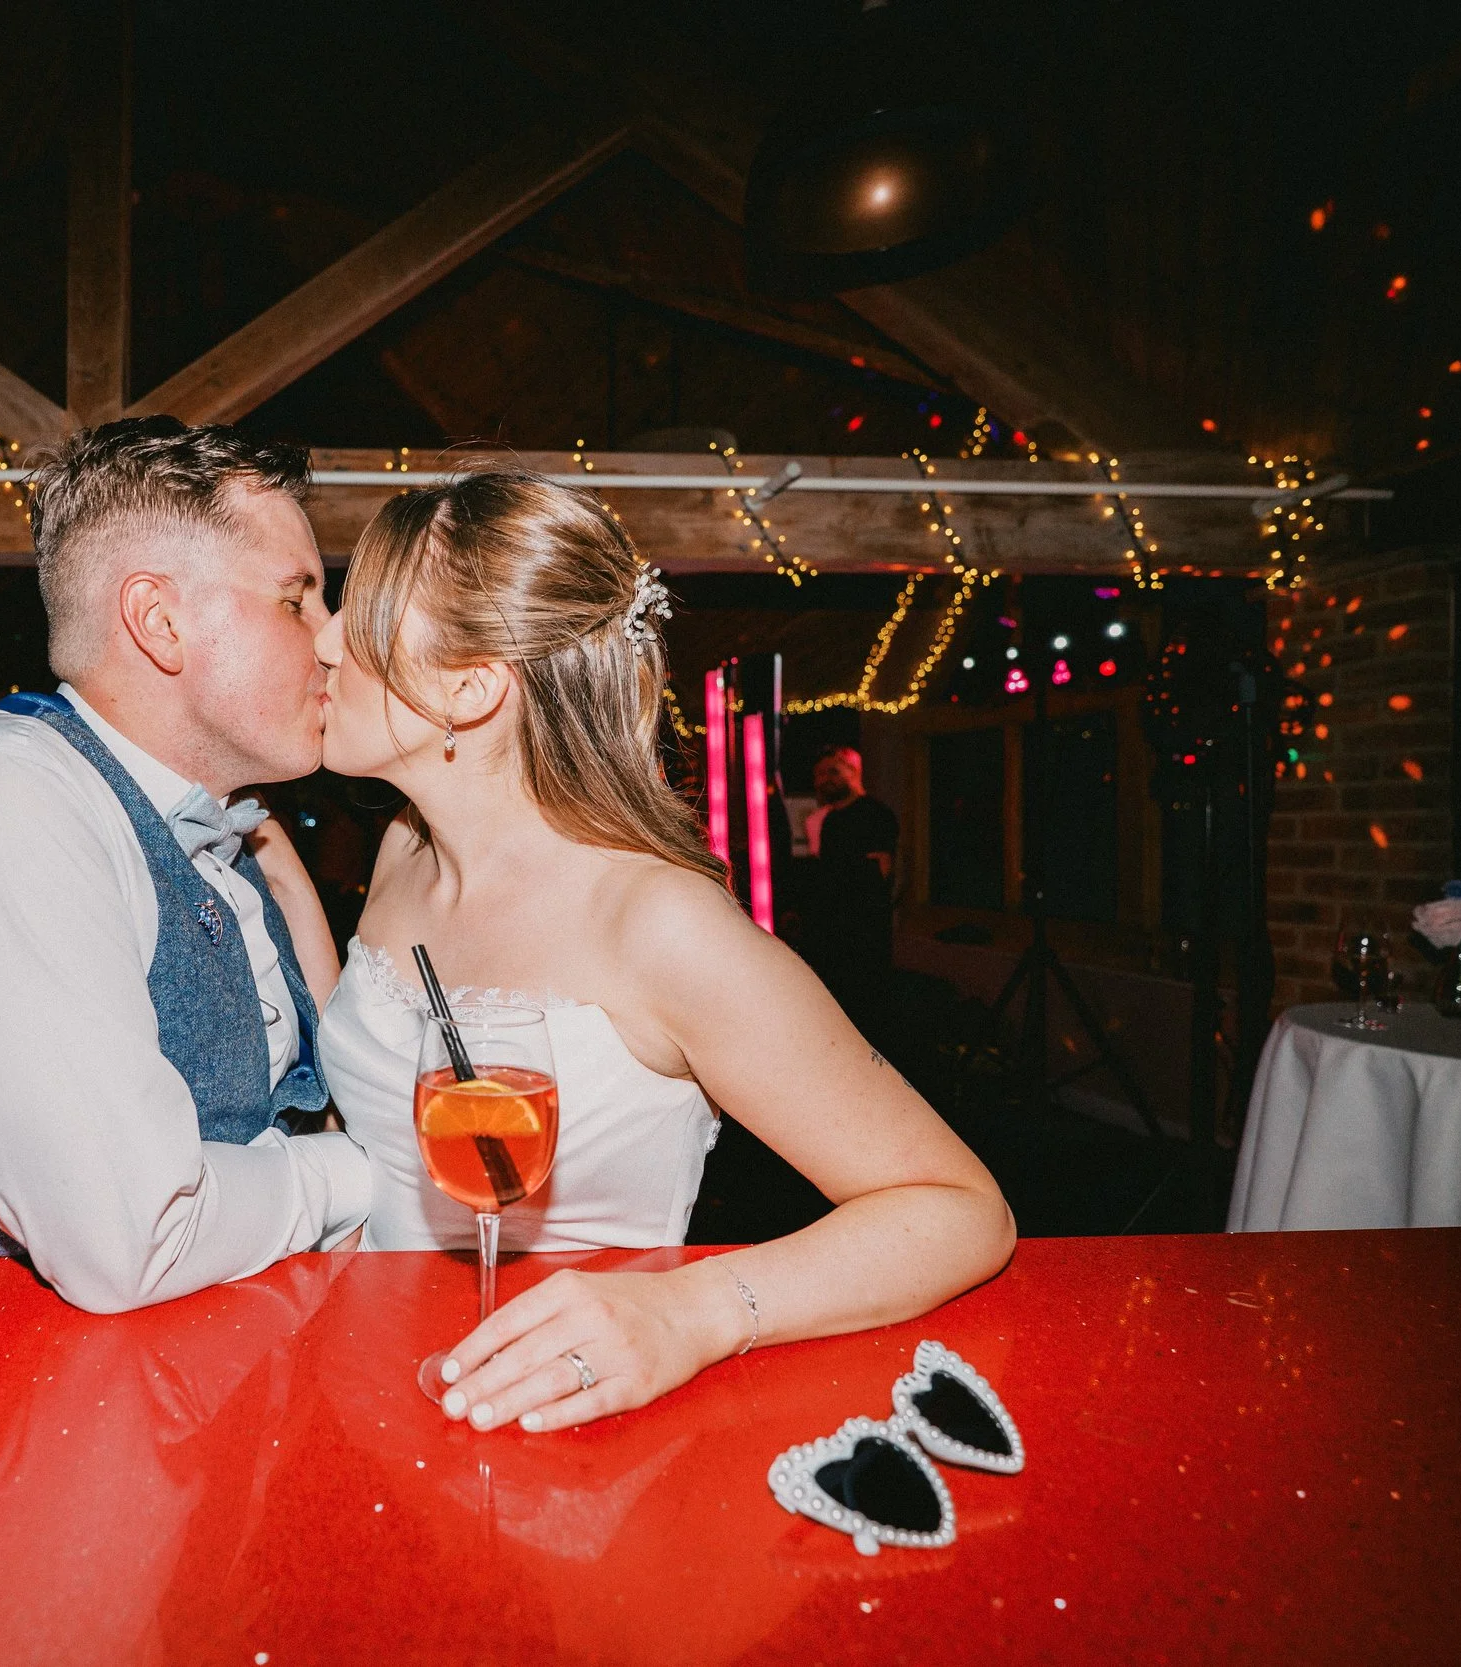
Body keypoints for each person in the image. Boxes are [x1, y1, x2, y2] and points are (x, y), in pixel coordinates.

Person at [311, 470, 1014, 1433]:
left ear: (469, 688)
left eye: (358, 614)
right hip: (371, 1393)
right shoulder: (403, 852)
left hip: (567, 1417)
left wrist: (693, 1311)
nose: (323, 640)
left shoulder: (660, 925)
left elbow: (960, 1209)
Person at [0, 415, 364, 1312]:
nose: (333, 637)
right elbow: (128, 1235)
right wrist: (363, 1172)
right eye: (296, 598)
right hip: (6, 1379)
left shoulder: (229, 826)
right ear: (159, 621)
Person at [804, 745, 900, 1015]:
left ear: (854, 772)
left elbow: (876, 876)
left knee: (865, 1006)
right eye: (820, 774)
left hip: (864, 933)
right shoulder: (829, 821)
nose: (825, 779)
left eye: (833, 772)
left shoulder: (876, 815)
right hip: (832, 932)